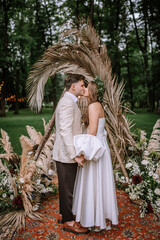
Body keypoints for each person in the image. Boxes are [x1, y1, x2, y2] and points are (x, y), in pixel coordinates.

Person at [72, 81, 119, 232]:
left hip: (95, 150)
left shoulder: (93, 106)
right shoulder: (98, 105)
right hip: (101, 147)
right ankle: (99, 217)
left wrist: (83, 153)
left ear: (91, 90)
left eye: (86, 87)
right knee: (100, 184)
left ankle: (95, 220)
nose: (83, 89)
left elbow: (92, 132)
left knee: (93, 184)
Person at [52, 74, 89, 235]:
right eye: (82, 85)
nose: (84, 88)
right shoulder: (67, 103)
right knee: (68, 189)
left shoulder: (70, 101)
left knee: (67, 187)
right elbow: (65, 131)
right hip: (65, 154)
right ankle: (69, 222)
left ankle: (63, 214)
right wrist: (74, 155)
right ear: (73, 86)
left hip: (66, 153)